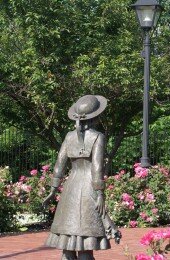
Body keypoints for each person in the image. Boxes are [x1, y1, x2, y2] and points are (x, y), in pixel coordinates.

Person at [43, 95, 121, 260]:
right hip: (88, 189)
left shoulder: (69, 137)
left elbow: (59, 165)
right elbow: (97, 168)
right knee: (85, 244)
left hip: (70, 189)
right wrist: (100, 193)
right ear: (96, 116)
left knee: (67, 245)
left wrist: (53, 189)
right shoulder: (98, 137)